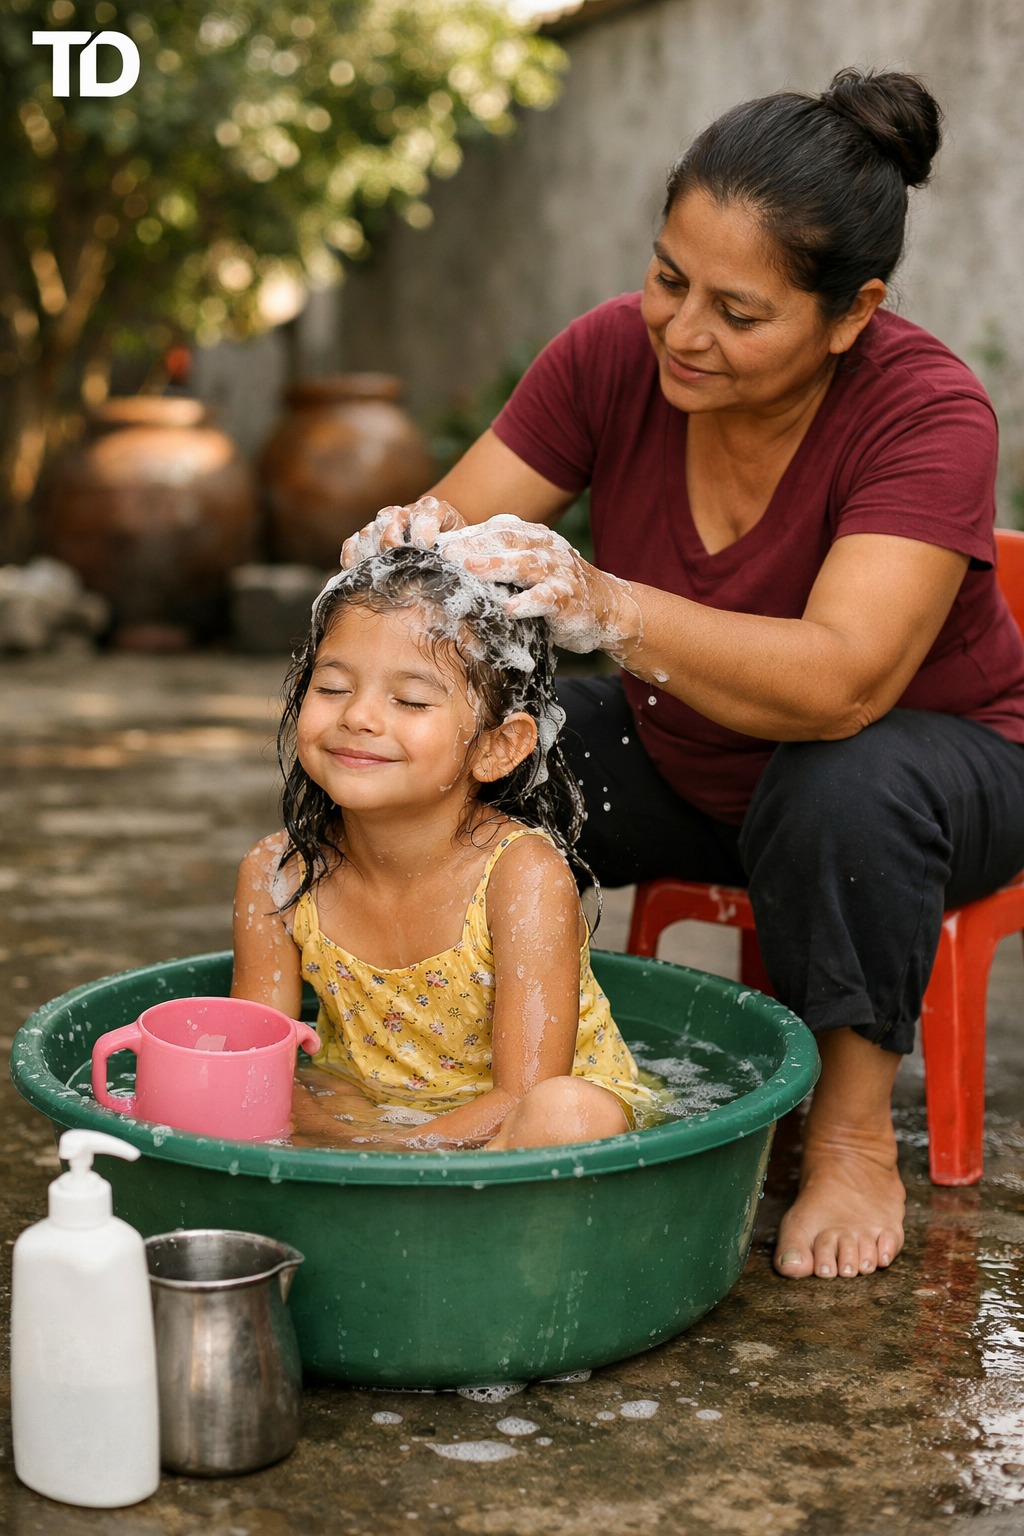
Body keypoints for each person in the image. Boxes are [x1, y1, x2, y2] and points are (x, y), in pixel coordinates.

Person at [340, 69, 1024, 1277]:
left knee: (839, 783)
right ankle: (484, 1065)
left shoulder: (927, 413)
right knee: (483, 748)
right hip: (692, 757)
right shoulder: (611, 357)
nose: (682, 330)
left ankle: (855, 1137)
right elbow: (448, 531)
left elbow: (843, 685)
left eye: (738, 311)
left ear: (852, 312)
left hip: (927, 777)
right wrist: (392, 559)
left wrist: (604, 603)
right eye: (668, 279)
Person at [231, 544, 654, 1149]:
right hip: (373, 1109)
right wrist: (334, 1130)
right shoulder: (277, 873)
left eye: (411, 701)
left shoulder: (520, 874)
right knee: (267, 1089)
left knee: (570, 1111)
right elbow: (257, 1060)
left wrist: (398, 1157)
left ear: (496, 748)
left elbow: (522, 1093)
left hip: (513, 1133)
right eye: (331, 688)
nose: (360, 716)